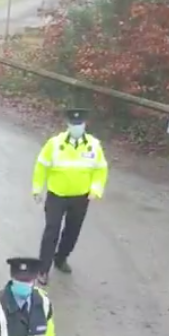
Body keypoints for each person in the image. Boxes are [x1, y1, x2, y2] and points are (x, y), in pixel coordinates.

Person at [32, 107, 109, 285]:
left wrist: (96, 189)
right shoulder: (55, 144)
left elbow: (100, 169)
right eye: (74, 124)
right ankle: (43, 269)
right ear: (68, 124)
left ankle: (61, 258)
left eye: (79, 124)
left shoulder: (93, 145)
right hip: (56, 195)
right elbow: (41, 165)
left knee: (72, 231)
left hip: (81, 197)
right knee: (52, 230)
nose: (77, 127)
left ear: (85, 124)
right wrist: (37, 188)